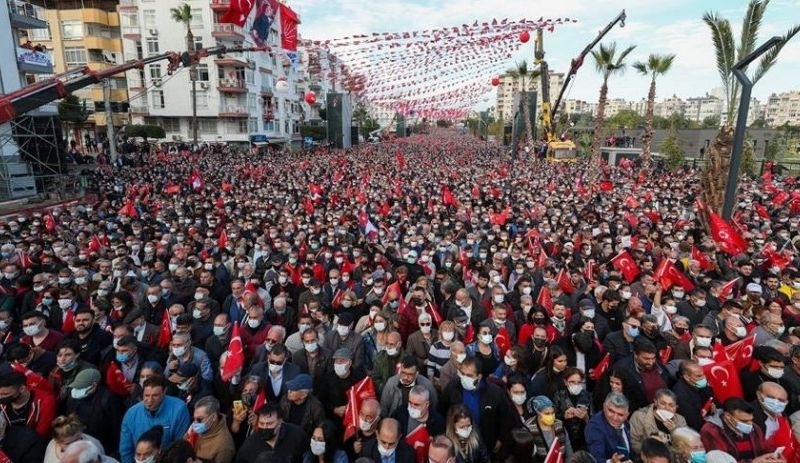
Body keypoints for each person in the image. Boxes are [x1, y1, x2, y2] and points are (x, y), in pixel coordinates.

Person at [438, 356, 512, 454]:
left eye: (469, 375)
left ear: (479, 376)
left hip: (485, 443)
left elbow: (505, 417)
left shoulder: (494, 393)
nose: (464, 378)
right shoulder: (452, 387)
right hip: (458, 443)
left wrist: (500, 439)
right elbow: (442, 410)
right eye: (462, 373)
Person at [119, 376, 191, 463]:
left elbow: (180, 447)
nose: (149, 400)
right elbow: (126, 450)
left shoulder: (179, 409)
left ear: (164, 392)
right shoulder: (131, 414)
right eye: (146, 395)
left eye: (155, 396)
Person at [700, 398, 774, 462]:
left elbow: (764, 448)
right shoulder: (711, 431)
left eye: (751, 420)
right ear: (728, 416)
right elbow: (719, 461)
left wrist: (772, 456)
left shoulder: (755, 428)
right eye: (744, 421)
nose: (750, 424)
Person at [236, 403, 308, 463]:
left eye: (269, 423)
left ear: (280, 422)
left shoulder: (297, 434)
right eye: (261, 423)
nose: (264, 427)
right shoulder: (250, 444)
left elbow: (307, 455)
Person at [629, 389, 687, 456]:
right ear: (655, 402)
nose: (667, 408)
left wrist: (674, 431)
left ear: (676, 407)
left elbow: (685, 446)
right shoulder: (639, 417)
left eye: (671, 405)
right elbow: (633, 442)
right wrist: (654, 453)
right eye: (663, 403)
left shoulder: (680, 420)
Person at [0, 370, 57, 438]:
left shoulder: (45, 401)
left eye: (5, 394)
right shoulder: (3, 404)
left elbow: (41, 434)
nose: (1, 397)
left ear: (22, 389)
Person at [585, 392, 633, 463]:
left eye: (620, 414)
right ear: (604, 407)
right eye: (611, 411)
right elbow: (596, 458)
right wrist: (611, 462)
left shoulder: (625, 423)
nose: (615, 418)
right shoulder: (595, 427)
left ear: (627, 415)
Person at [525, 395, 573, 463]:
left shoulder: (559, 424)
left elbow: (568, 448)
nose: (551, 416)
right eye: (547, 413)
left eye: (552, 412)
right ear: (538, 412)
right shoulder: (529, 428)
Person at [190, 396, 236, 463]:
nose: (195, 423)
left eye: (199, 419)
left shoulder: (224, 447)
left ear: (214, 417)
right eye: (194, 418)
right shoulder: (204, 428)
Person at [279, 374, 326, 438]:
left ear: (304, 395)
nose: (289, 391)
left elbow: (319, 426)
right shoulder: (285, 400)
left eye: (293, 390)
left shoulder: (316, 407)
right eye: (289, 389)